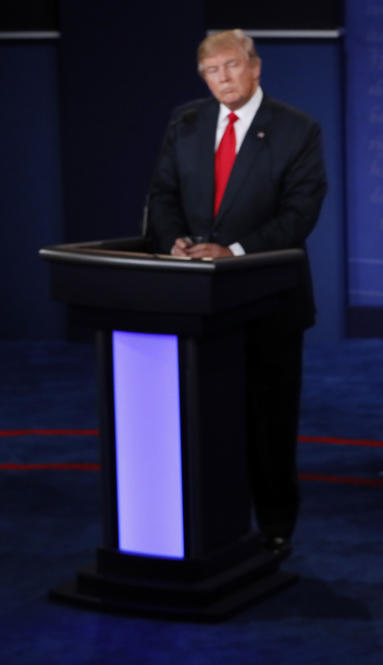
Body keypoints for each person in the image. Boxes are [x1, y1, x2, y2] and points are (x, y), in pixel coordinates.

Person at [147, 29, 328, 554]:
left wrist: (236, 252)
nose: (222, 78)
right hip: (193, 303)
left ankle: (274, 528)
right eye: (211, 70)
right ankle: (206, 524)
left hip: (269, 301)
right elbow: (162, 193)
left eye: (230, 66)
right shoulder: (187, 123)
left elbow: (300, 214)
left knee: (269, 424)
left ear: (255, 66)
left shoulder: (297, 130)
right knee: (203, 424)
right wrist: (172, 241)